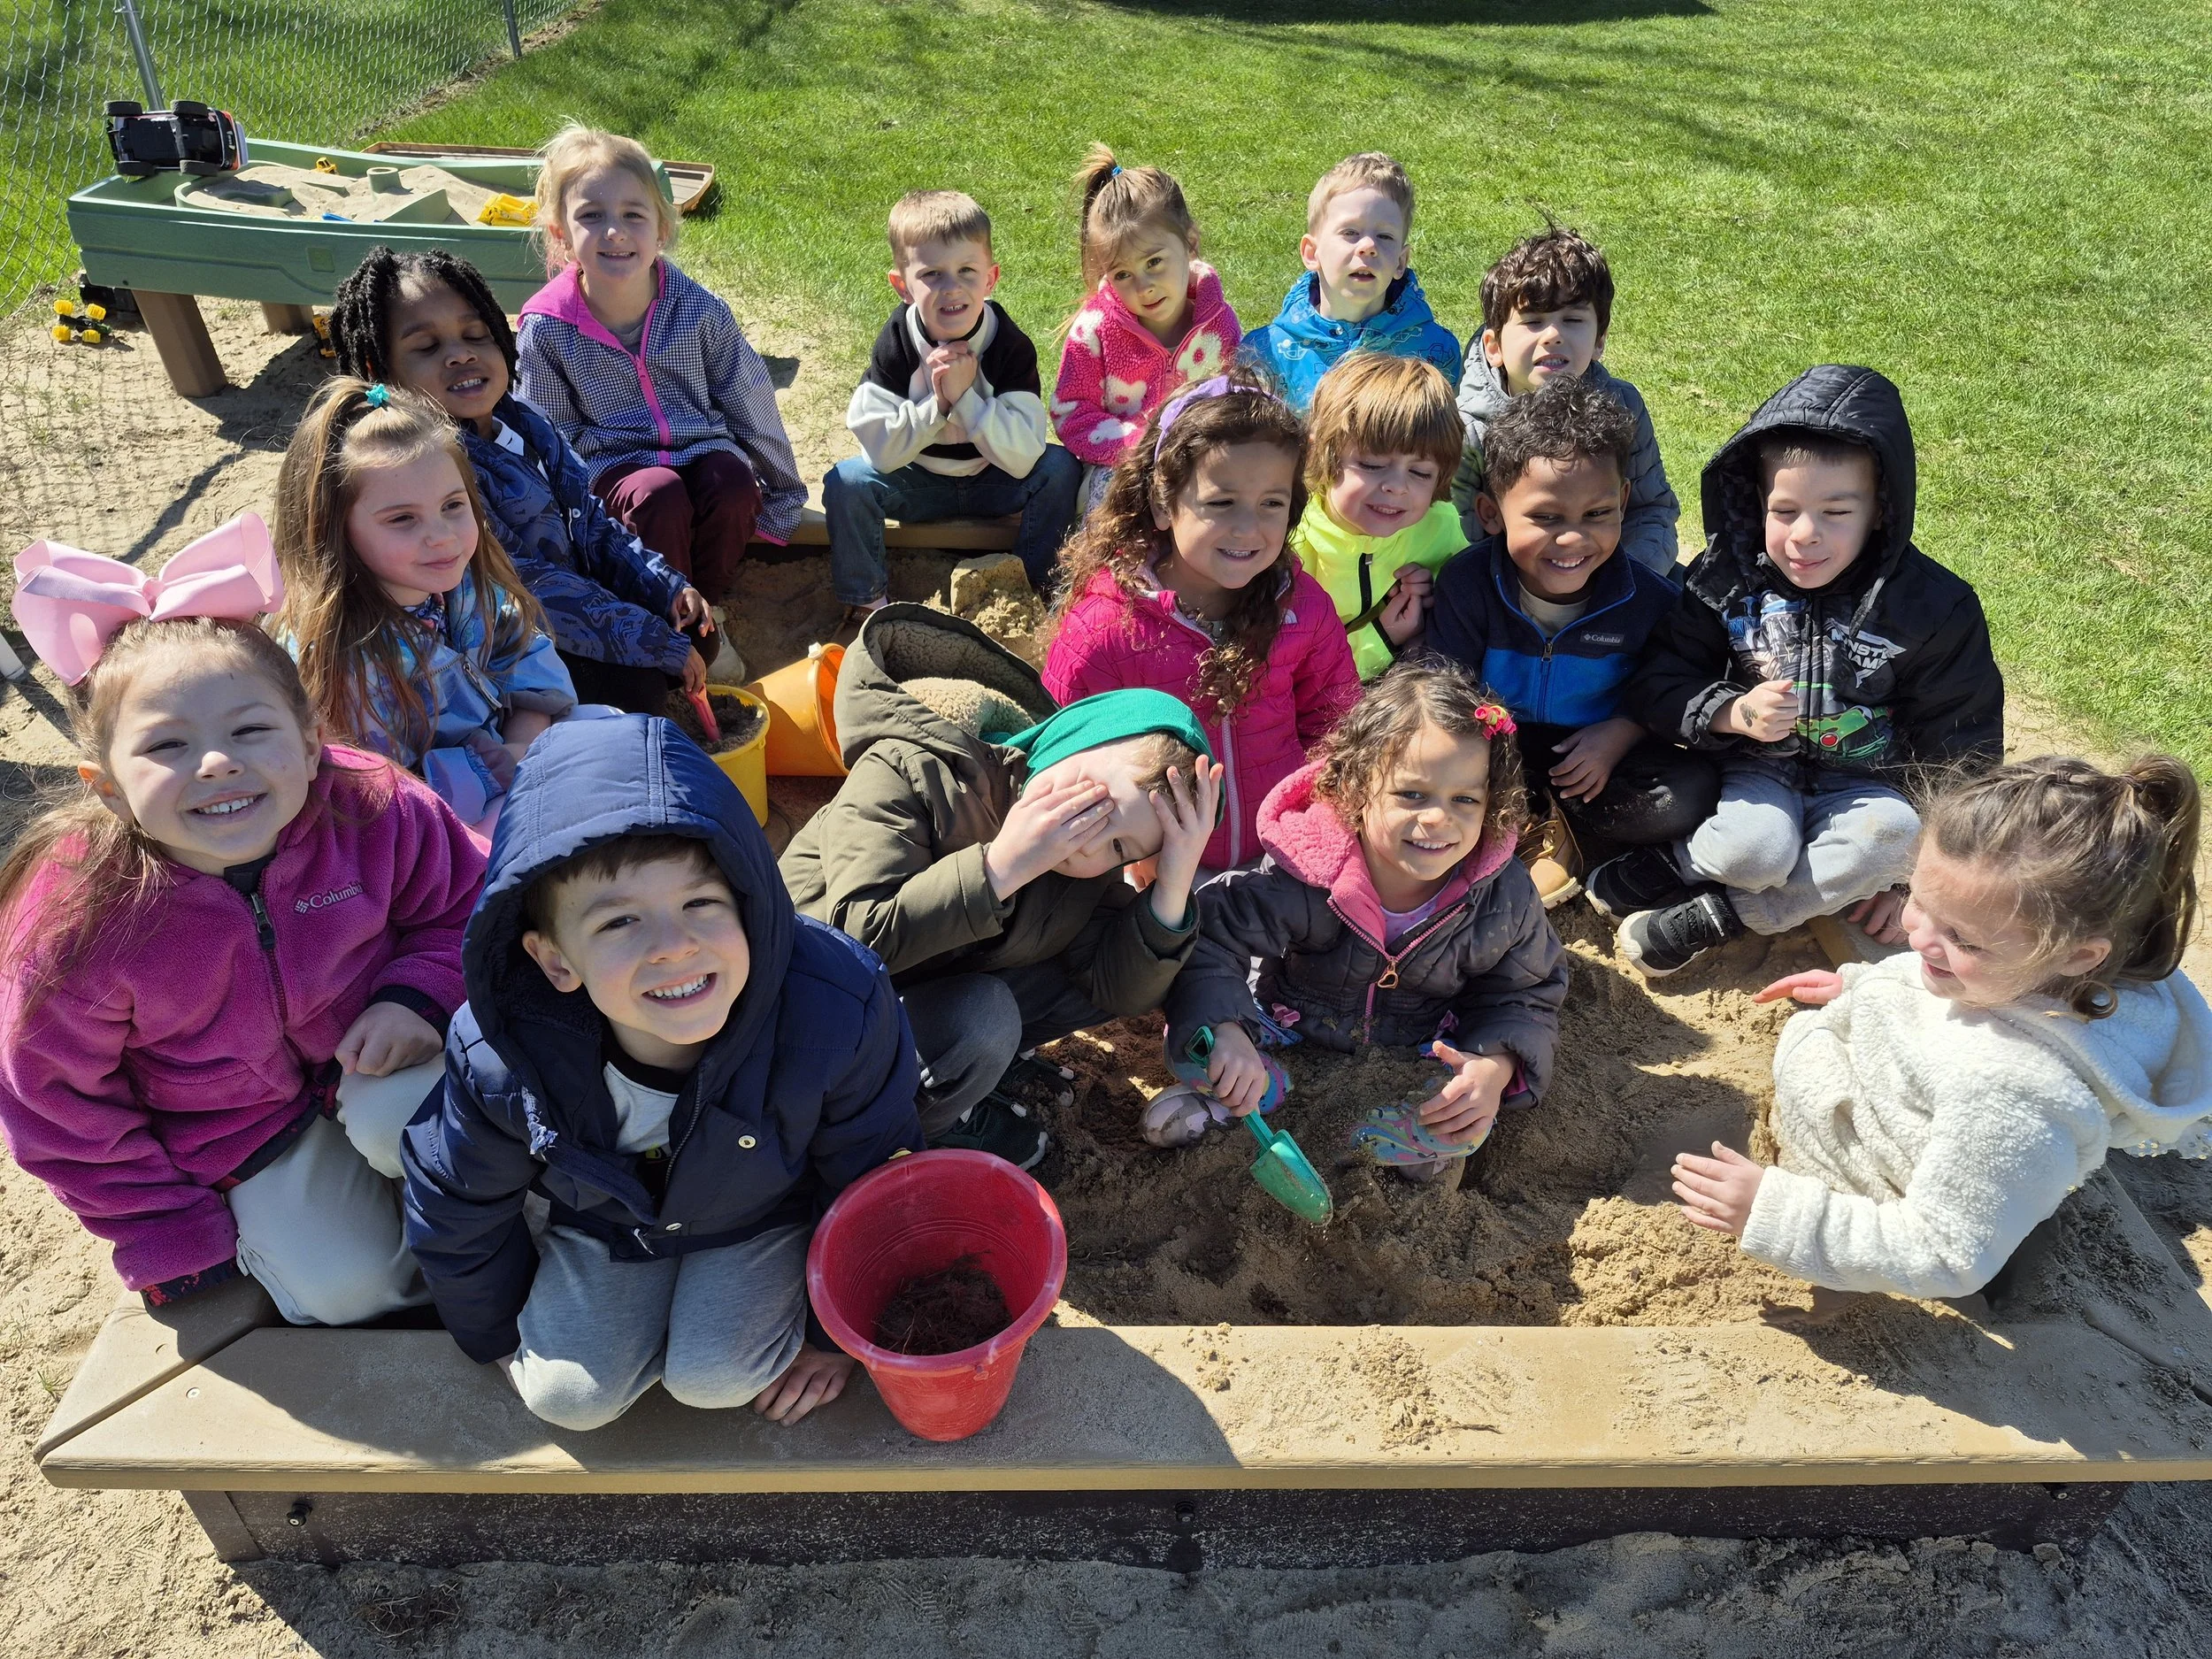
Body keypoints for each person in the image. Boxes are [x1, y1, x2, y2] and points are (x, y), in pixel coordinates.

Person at [0, 517, 483, 1324]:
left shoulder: (375, 807)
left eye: (250, 730)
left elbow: (467, 906)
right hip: (234, 1130)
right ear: (106, 785)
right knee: (349, 1289)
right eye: (167, 746)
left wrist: (419, 997)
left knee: (440, 1134)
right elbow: (56, 1105)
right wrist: (165, 1230)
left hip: (376, 1056)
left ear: (308, 741)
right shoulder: (78, 920)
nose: (217, 762)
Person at [403, 715, 922, 1431]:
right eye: (620, 922)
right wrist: (492, 1335)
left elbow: (873, 1173)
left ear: (748, 902)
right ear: (556, 960)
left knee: (718, 1376)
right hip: (605, 1224)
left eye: (700, 904)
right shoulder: (501, 1051)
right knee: (568, 1399)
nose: (674, 947)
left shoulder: (835, 1007)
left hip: (761, 1213)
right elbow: (454, 1202)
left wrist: (832, 1340)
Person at [1673, 756, 2212, 1301]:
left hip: (1876, 1206)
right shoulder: (2026, 969)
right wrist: (1861, 986)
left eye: (1963, 939)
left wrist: (1774, 1212)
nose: (1916, 937)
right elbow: (1952, 972)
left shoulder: (2013, 1098)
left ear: (2076, 956)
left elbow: (1945, 1254)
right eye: (1915, 898)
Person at [781, 604, 1218, 1170]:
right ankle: (902, 1130)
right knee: (986, 1021)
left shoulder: (1082, 869)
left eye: (1120, 848)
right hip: (811, 1008)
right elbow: (856, 937)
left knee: (1097, 961)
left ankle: (967, 1071)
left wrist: (1174, 879)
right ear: (1066, 742)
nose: (1089, 842)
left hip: (924, 991)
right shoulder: (911, 769)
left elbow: (1115, 990)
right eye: (1094, 803)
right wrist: (1000, 868)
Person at [1601, 365, 2004, 977]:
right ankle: (1679, 863)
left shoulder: (1933, 606)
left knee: (1892, 835)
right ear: (1755, 502)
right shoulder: (1725, 577)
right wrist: (1730, 711)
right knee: (1754, 851)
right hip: (1755, 770)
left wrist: (1920, 888)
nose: (1805, 535)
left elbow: (1963, 748)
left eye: (1836, 511)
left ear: (1880, 511)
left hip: (1869, 788)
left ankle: (1717, 916)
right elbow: (1660, 678)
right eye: (1784, 510)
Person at [1160, 662, 1567, 1181]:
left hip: (1416, 1050)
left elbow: (1525, 993)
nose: (1439, 819)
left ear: (1490, 806)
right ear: (1355, 788)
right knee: (1197, 1044)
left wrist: (1495, 1066)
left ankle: (1373, 1138)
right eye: (1412, 795)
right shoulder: (1307, 871)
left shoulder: (1501, 895)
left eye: (1464, 800)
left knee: (1462, 1112)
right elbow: (1212, 939)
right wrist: (1226, 1028)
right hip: (1287, 1027)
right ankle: (1254, 1095)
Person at [326, 245, 718, 716]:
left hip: (578, 606)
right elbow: (522, 583)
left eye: (477, 334)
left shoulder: (526, 420)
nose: (460, 355)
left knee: (693, 632)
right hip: (502, 638)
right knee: (638, 685)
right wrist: (645, 638)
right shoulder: (432, 468)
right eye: (427, 347)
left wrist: (664, 586)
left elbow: (592, 523)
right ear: (379, 370)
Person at [1044, 374, 1361, 873]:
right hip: (1157, 879)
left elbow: (1337, 730)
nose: (1247, 527)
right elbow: (1063, 765)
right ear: (1162, 504)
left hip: (1286, 864)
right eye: (1221, 502)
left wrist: (1318, 828)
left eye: (1271, 504)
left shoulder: (1302, 609)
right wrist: (1124, 861)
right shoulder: (1103, 631)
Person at [1428, 376, 1717, 905]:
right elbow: (1442, 685)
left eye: (1597, 514)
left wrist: (1623, 731)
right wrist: (1492, 752)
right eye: (1545, 517)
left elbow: (1671, 685)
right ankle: (1524, 817)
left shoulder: (1650, 599)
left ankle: (1557, 820)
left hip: (1590, 755)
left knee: (1689, 793)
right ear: (1492, 513)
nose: (1573, 539)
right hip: (1491, 747)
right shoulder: (1467, 584)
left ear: (1624, 501)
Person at [272, 379, 580, 834]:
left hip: (509, 766)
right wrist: (483, 771)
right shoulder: (338, 654)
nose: (443, 536)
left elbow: (525, 660)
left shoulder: (466, 590)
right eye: (402, 519)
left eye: (453, 505)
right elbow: (371, 794)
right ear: (334, 530)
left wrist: (521, 743)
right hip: (430, 830)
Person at [516, 125, 805, 600]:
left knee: (731, 484)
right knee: (658, 494)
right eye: (591, 216)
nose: (614, 231)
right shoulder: (549, 327)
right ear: (562, 235)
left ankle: (709, 604)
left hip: (698, 446)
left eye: (634, 214)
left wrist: (784, 496)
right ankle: (668, 614)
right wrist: (560, 534)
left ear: (662, 229)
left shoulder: (698, 311)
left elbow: (750, 400)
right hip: (614, 465)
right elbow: (550, 438)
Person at [826, 190, 1083, 623]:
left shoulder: (1008, 345)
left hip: (993, 480)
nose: (952, 288)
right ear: (903, 286)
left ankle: (1034, 590)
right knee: (846, 482)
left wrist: (967, 399)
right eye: (931, 274)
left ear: (991, 278)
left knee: (1060, 470)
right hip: (918, 483)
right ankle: (867, 602)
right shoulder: (898, 341)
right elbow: (881, 452)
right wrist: (939, 404)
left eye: (967, 270)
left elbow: (1023, 458)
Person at [1449, 225, 1679, 578]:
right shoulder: (1467, 429)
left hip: (1602, 577)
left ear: (1600, 340)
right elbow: (1455, 533)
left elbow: (1650, 511)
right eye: (1533, 321)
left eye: (1572, 319)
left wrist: (1626, 584)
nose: (1553, 335)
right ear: (1494, 347)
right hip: (1503, 594)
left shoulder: (1623, 406)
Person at [1052, 144, 1241, 507]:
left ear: (1190, 242)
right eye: (1123, 274)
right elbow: (1071, 411)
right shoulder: (1094, 331)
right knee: (1117, 507)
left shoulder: (1218, 324)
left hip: (1203, 466)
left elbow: (1234, 399)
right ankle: (1112, 568)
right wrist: (1139, 444)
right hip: (1121, 469)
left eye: (1154, 262)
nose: (1144, 286)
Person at [1287, 352, 1469, 680]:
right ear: (1319, 452)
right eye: (1372, 465)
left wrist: (1439, 594)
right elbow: (1293, 676)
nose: (1396, 487)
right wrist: (1383, 637)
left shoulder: (1441, 527)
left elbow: (1468, 622)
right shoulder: (1291, 546)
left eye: (1420, 473)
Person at [1240, 153, 1463, 414]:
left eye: (1384, 236)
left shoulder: (1436, 350)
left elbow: (1442, 448)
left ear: (1401, 262)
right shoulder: (1265, 353)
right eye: (1350, 233)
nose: (1368, 246)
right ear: (1312, 253)